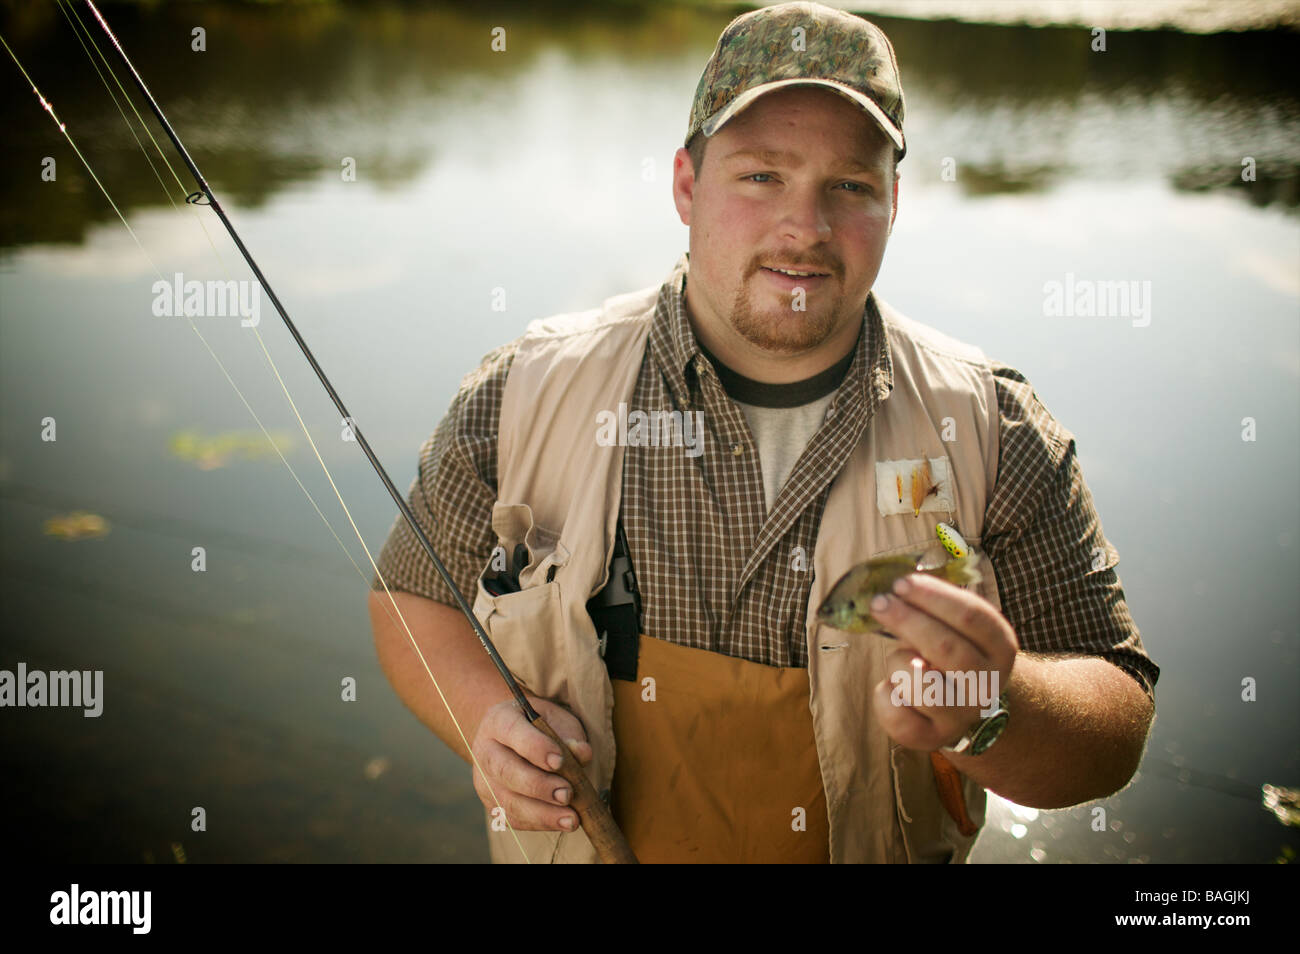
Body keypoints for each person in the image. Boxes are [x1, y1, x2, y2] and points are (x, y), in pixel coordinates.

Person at [368, 1, 1158, 864]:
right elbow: (411, 598)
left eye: (849, 186)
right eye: (760, 176)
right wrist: (482, 717)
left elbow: (1115, 723)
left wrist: (998, 703)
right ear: (685, 185)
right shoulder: (521, 393)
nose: (805, 228)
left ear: (895, 203)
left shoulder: (996, 429)